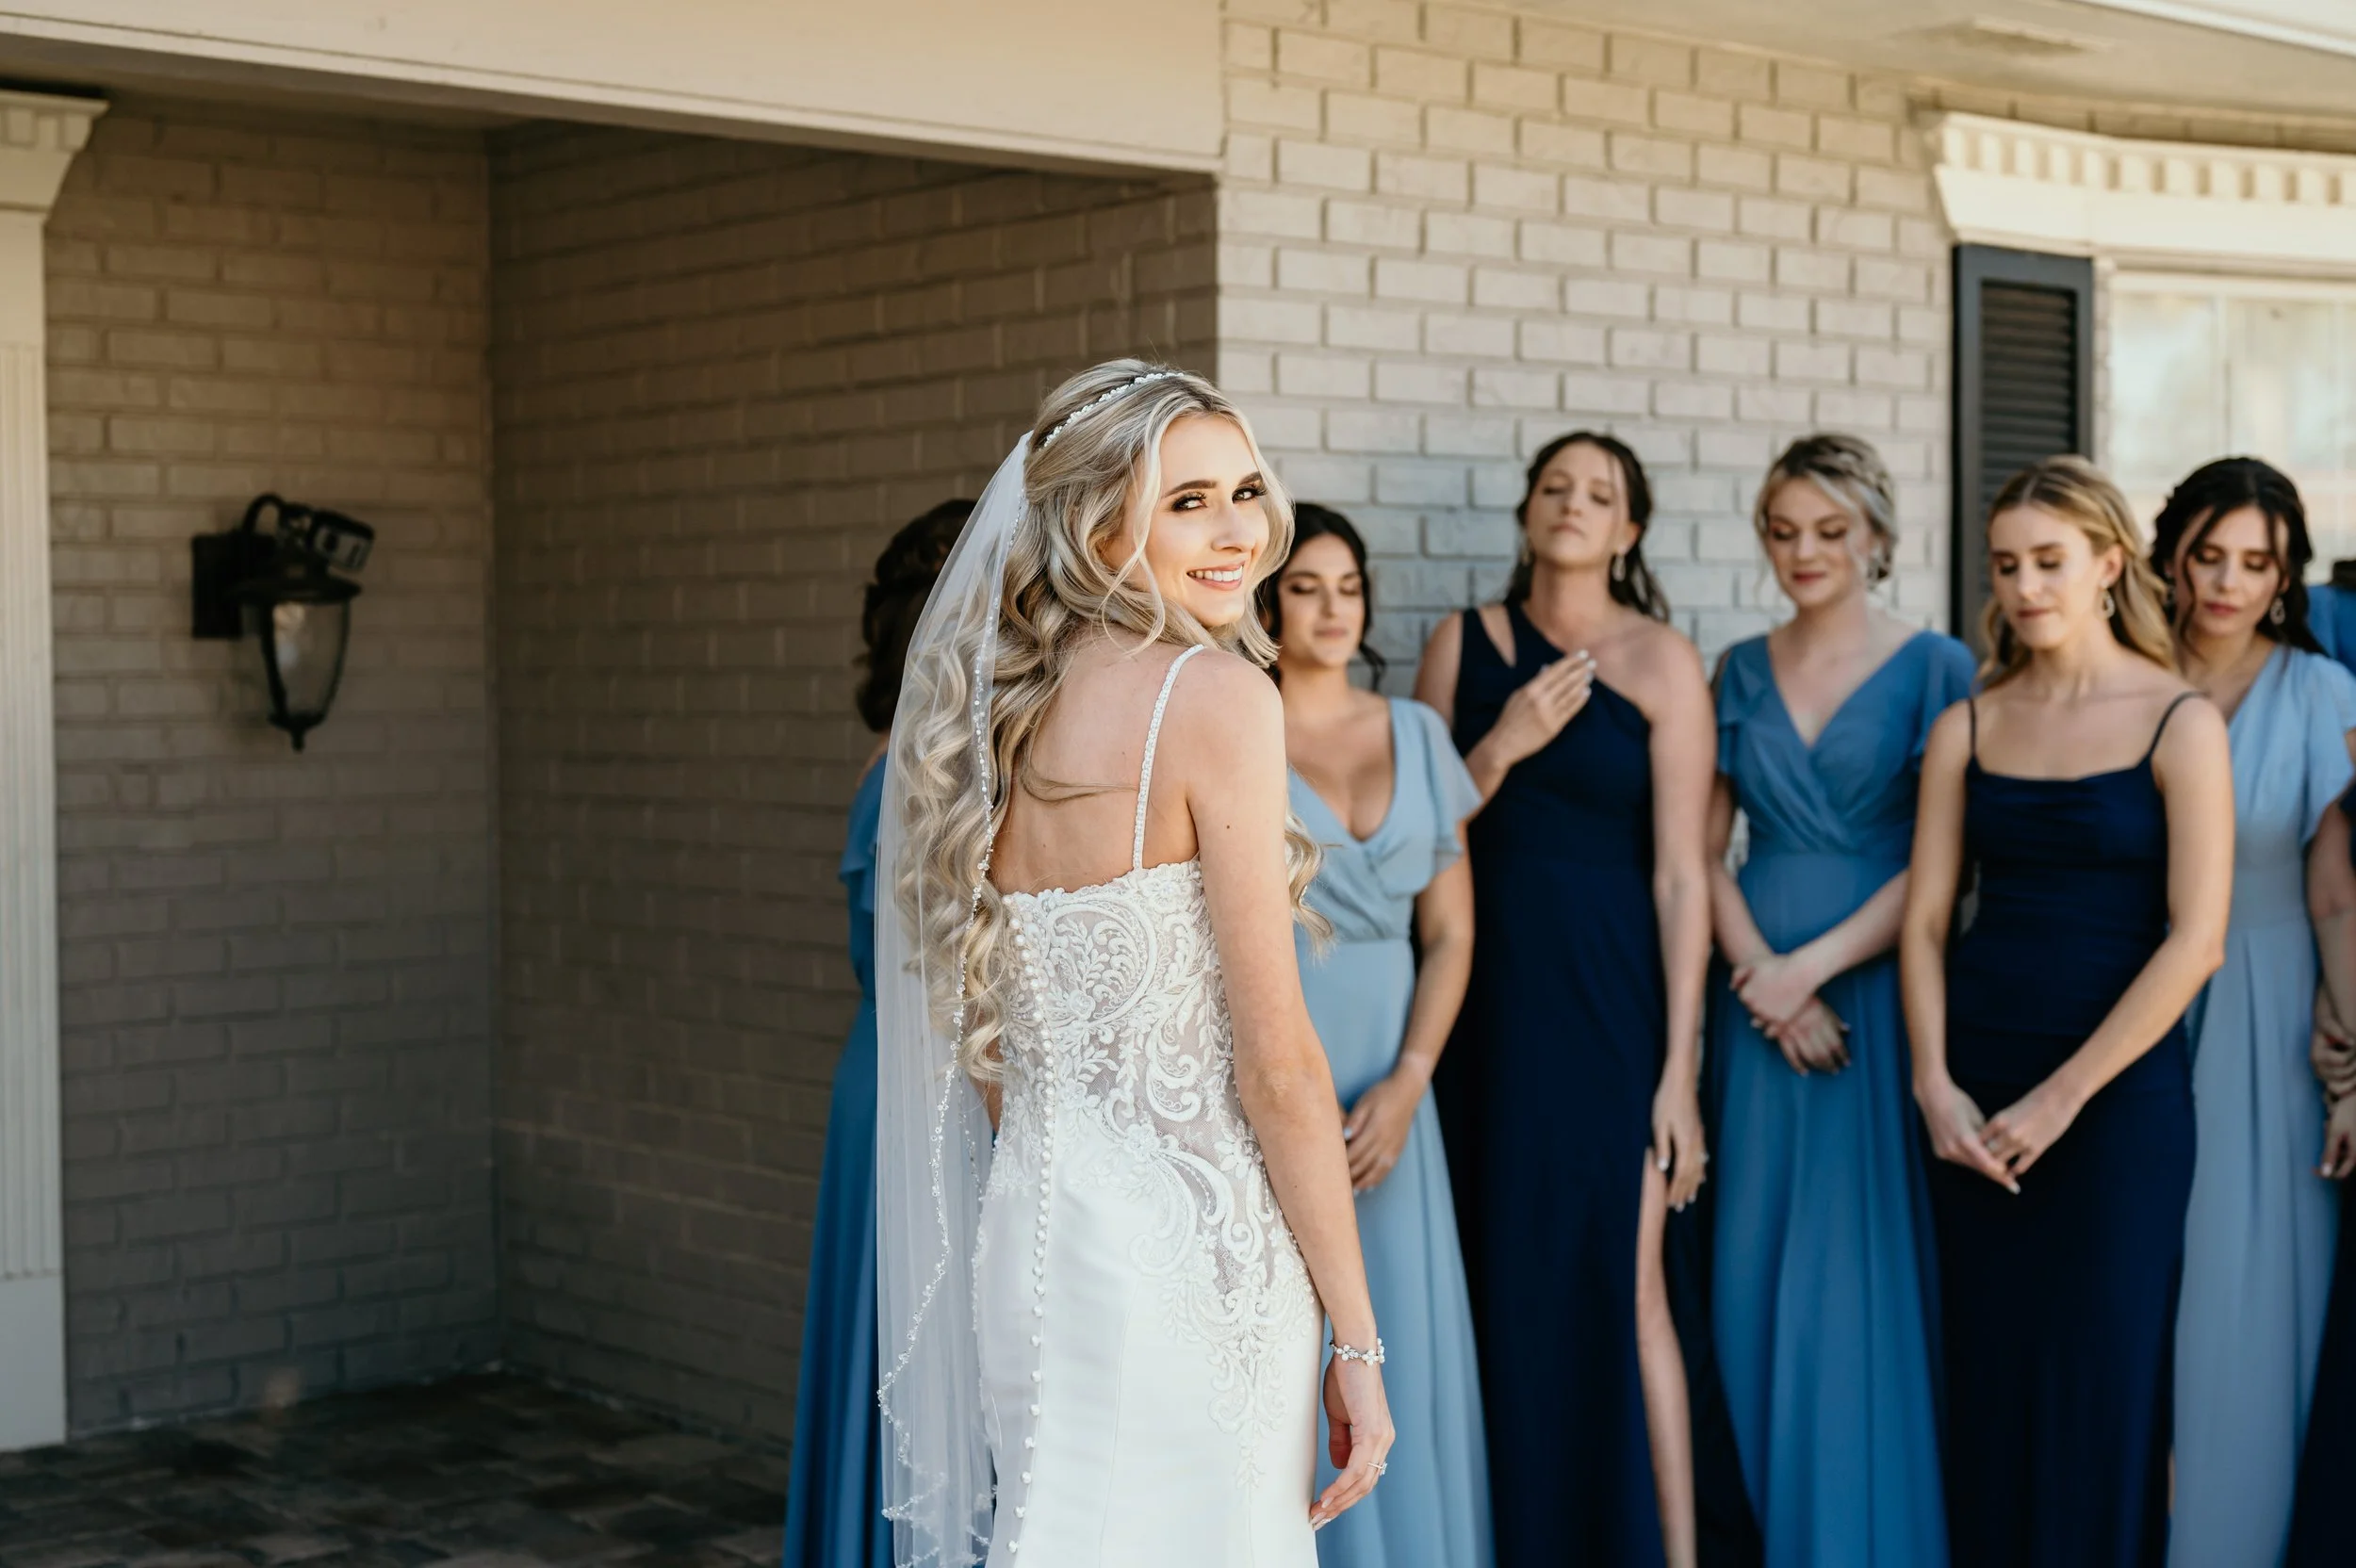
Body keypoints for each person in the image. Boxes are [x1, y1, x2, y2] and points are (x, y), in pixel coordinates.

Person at [874, 360, 1394, 1568]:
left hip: (1037, 1228)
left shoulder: (992, 709)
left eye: (1246, 490)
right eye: (1187, 501)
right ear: (1097, 521)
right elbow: (1278, 1066)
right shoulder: (1216, 696)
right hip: (1199, 1245)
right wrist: (1357, 1344)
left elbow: (990, 1041)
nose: (1238, 533)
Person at [1898, 455, 2233, 1568]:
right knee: (1989, 1379)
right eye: (2006, 565)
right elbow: (1926, 923)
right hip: (1975, 1096)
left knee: (2107, 1380)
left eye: (2049, 560)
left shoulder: (2179, 721)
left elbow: (2198, 939)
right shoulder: (1969, 725)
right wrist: (1932, 1083)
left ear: (2108, 563)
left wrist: (2063, 1095)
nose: (2025, 585)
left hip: (2117, 1100)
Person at [1415, 432, 1713, 1568]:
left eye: (1600, 494)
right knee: (1496, 1272)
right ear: (1526, 510)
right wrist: (1501, 744)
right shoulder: (1464, 642)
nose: (1574, 505)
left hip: (1611, 1007)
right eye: (1555, 487)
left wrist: (1678, 1067)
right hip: (1484, 1003)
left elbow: (1682, 873)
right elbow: (1417, 836)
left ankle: (1670, 1552)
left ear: (1628, 528)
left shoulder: (1664, 661)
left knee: (1625, 1281)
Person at [1704, 436, 1965, 1568]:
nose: (1802, 551)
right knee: (1749, 1271)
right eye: (1781, 529)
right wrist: (1762, 973)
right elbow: (1701, 852)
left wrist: (1807, 970)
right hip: (1754, 1007)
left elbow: (1948, 864)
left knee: (1865, 1276)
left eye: (1827, 529)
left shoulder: (1938, 665)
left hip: (1875, 992)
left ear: (1874, 538)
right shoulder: (1737, 668)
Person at [1261, 505, 1492, 1568]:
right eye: (1305, 585)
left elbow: (1449, 934)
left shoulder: (1417, 734)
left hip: (1393, 1083)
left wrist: (1409, 1078)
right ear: (1266, 600)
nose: (1331, 607)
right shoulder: (1238, 731)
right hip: (1276, 1061)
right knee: (1288, 1323)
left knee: (1392, 1314)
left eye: (1347, 585)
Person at [2154, 458, 2356, 1568]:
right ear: (2172, 553)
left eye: (2257, 561)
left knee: (2257, 1302)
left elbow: (2337, 890)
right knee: (2154, 1298)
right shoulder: (2126, 673)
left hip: (2276, 1009)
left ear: (2285, 575)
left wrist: (2352, 1059)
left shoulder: (2329, 696)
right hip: (2136, 1000)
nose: (2227, 581)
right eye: (2209, 554)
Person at [782, 499, 970, 1568]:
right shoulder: (931, 760)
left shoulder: (903, 750)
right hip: (930, 1088)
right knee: (918, 1366)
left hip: (895, 1079)